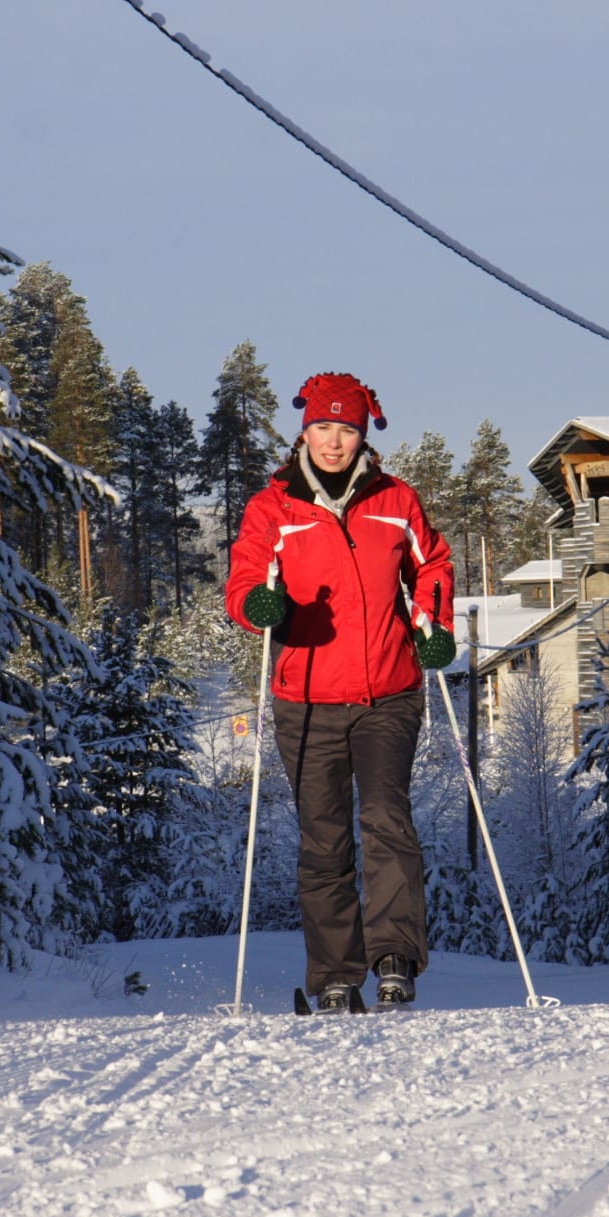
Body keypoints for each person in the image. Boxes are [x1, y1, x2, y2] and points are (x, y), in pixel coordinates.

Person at [225, 372, 456, 1012]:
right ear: (305, 431)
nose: (334, 441)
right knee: (323, 840)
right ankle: (334, 974)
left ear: (364, 436)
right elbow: (243, 582)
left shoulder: (395, 501)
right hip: (305, 698)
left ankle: (394, 959)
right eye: (323, 428)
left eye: (347, 430)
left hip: (388, 692)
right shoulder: (273, 508)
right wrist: (259, 606)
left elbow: (432, 564)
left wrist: (432, 623)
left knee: (386, 818)